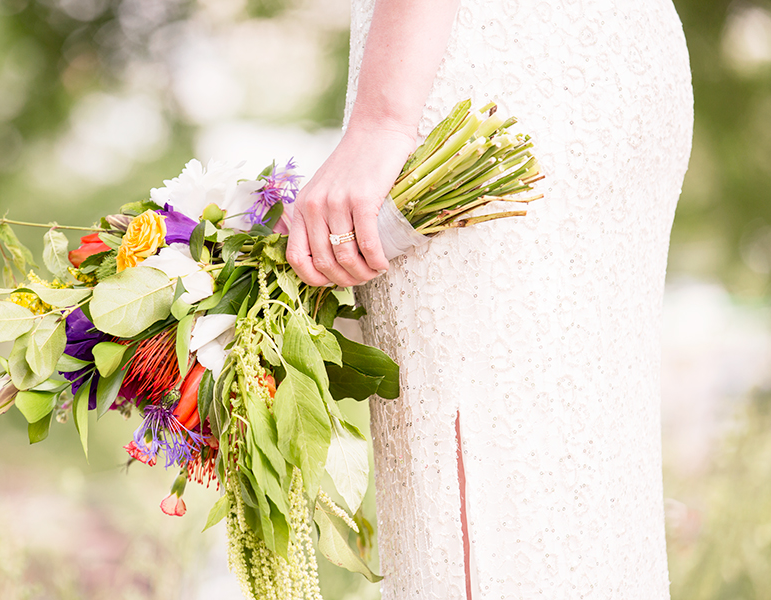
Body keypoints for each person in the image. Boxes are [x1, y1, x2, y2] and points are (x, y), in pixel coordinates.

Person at [286, 1, 693, 599]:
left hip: (471, 76)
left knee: (491, 505)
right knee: (571, 495)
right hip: (613, 47)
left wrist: (383, 118)